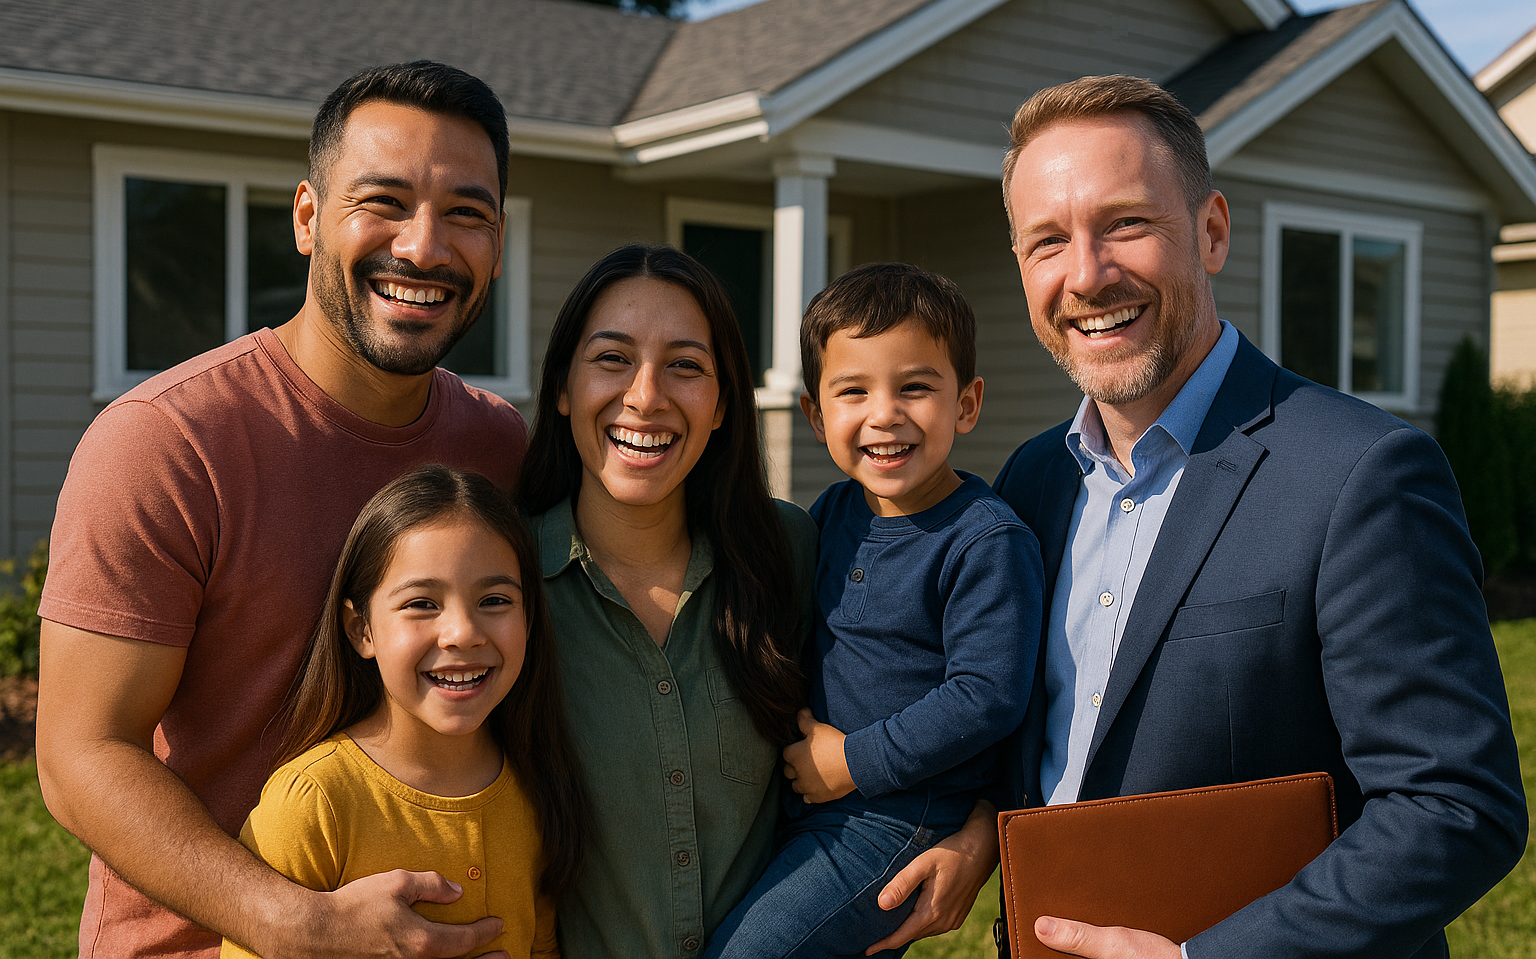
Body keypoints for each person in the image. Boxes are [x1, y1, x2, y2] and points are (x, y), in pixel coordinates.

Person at [986, 74, 1526, 958]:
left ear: (1211, 230)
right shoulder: (1032, 482)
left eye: (1126, 224)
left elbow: (1457, 806)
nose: (1086, 274)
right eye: (1048, 241)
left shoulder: (1360, 473)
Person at [36, 61, 526, 959]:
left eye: (467, 213)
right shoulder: (167, 442)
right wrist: (300, 924)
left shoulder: (500, 452)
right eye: (383, 200)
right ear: (307, 218)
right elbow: (81, 757)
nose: (423, 248)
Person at [518, 243, 999, 959]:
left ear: (721, 406)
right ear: (562, 387)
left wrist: (980, 835)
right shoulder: (505, 582)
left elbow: (971, 677)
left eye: (686, 365)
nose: (646, 396)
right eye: (612, 358)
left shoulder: (791, 550)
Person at [701, 262, 1042, 959]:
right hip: (814, 805)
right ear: (815, 414)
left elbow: (987, 695)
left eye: (915, 387)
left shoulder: (984, 539)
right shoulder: (832, 514)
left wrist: (855, 760)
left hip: (901, 816)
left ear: (967, 404)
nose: (884, 413)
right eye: (853, 391)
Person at [221, 465, 588, 959]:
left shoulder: (536, 784)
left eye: (495, 600)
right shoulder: (313, 804)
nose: (462, 632)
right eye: (421, 603)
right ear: (361, 630)